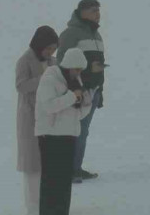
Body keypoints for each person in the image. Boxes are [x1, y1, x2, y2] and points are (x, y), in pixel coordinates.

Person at [35, 48, 93, 215]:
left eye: (81, 70)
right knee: (50, 182)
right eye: (76, 69)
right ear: (68, 65)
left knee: (63, 182)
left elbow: (78, 114)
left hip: (68, 136)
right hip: (50, 137)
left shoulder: (77, 80)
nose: (78, 73)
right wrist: (72, 96)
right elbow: (49, 106)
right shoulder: (50, 77)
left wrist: (86, 101)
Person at [57, 0, 105, 182]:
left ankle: (76, 167)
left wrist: (100, 89)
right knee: (74, 130)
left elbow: (98, 66)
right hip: (77, 91)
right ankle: (69, 170)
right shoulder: (71, 34)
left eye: (98, 10)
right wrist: (85, 73)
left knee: (83, 131)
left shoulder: (97, 35)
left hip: (93, 91)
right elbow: (62, 63)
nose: (97, 14)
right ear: (82, 12)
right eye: (93, 11)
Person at [17, 26, 60, 215]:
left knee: (47, 166)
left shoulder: (53, 61)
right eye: (48, 48)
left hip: (49, 118)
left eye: (53, 49)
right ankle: (33, 209)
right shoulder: (24, 60)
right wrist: (43, 78)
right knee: (32, 167)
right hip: (30, 118)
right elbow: (21, 86)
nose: (51, 52)